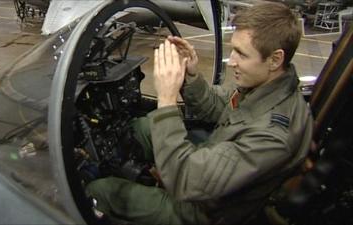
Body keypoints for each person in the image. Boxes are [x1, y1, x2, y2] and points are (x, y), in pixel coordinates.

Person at [86, 2, 313, 225]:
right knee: (143, 127)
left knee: (100, 190)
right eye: (233, 49)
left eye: (242, 54)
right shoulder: (265, 87)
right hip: (211, 164)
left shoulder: (272, 137)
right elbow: (220, 108)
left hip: (202, 210)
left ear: (275, 59)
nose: (231, 61)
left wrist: (166, 98)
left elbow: (184, 179)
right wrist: (192, 73)